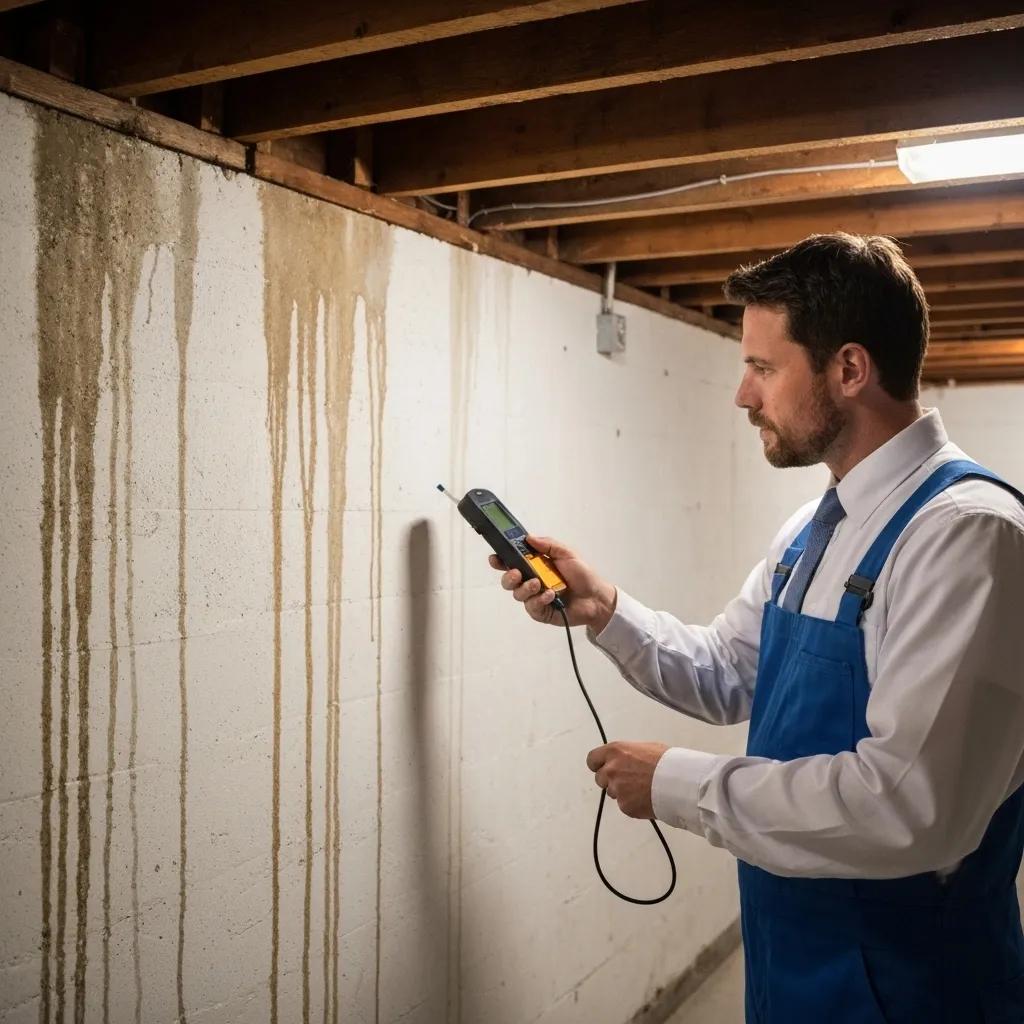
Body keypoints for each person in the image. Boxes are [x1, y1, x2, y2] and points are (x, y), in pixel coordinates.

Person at [489, 233, 1024, 1023]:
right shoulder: (815, 527)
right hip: (794, 964)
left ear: (849, 369)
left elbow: (909, 806)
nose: (743, 395)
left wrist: (675, 781)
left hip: (917, 986)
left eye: (763, 368)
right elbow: (727, 672)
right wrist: (605, 608)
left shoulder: (966, 536)